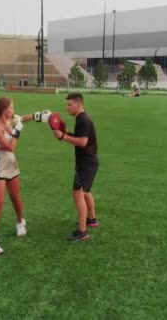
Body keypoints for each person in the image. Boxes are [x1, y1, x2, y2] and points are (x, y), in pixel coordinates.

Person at [0, 97, 51, 254]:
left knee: (16, 197)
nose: (13, 110)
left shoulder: (9, 120)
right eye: (10, 108)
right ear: (2, 109)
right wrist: (18, 128)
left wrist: (40, 116)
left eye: (13, 108)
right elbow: (10, 147)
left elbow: (23, 117)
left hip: (11, 164)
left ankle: (20, 222)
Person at [52, 93, 99, 241]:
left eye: (69, 105)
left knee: (77, 193)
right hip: (89, 161)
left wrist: (63, 136)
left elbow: (83, 142)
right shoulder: (81, 118)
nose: (67, 107)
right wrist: (66, 133)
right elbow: (80, 138)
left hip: (86, 162)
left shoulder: (83, 120)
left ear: (78, 104)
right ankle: (92, 219)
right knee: (85, 192)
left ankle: (82, 232)